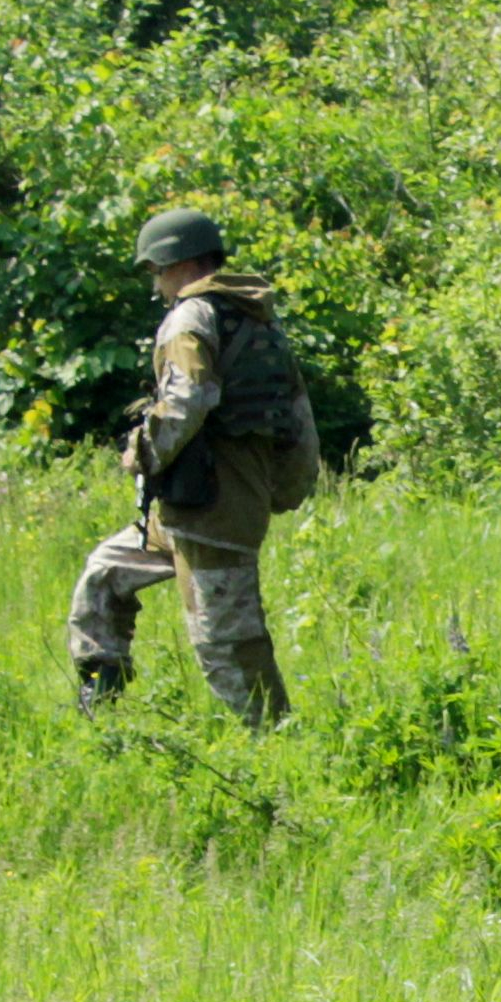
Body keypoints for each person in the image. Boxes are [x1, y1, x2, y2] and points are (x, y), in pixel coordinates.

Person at [65, 209, 322, 724]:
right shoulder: (255, 321)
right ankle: (101, 710)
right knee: (105, 576)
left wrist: (141, 453)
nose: (156, 285)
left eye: (154, 272)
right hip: (190, 508)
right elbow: (300, 415)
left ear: (171, 262)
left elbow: (189, 399)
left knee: (224, 644)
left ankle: (276, 742)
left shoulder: (190, 318)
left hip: (213, 509)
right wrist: (290, 486)